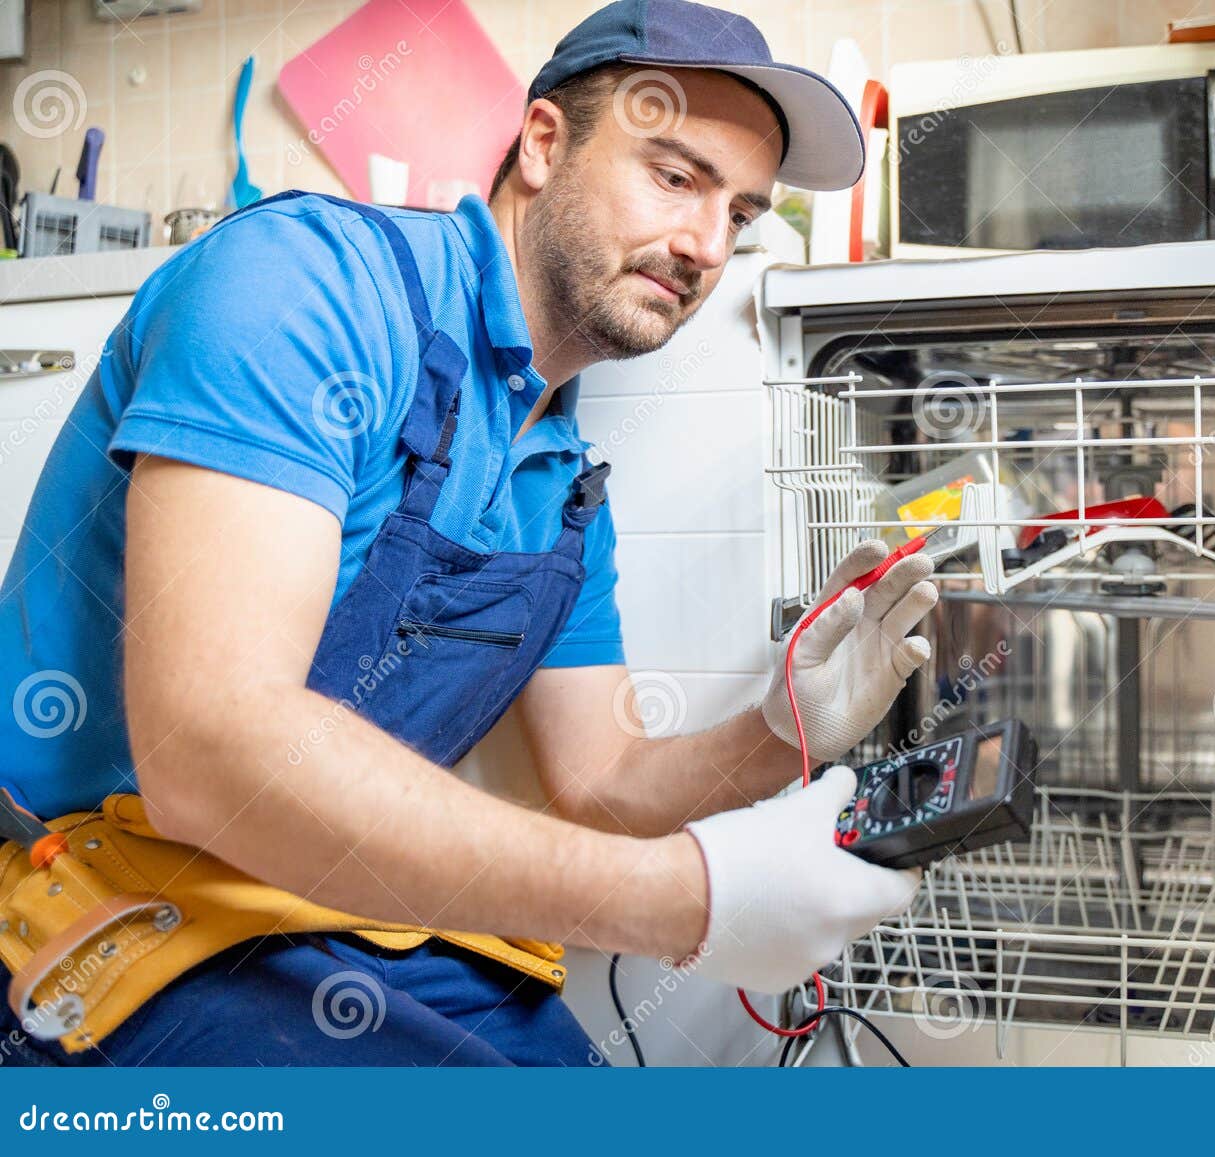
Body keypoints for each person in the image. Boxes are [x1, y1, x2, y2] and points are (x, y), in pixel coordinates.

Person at [0, 0, 935, 1066]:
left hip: (317, 906)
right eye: (675, 177)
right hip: (86, 904)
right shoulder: (307, 284)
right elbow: (210, 752)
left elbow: (601, 778)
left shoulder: (560, 479)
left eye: (742, 216)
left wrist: (782, 723)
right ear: (542, 144)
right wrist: (686, 897)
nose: (704, 245)